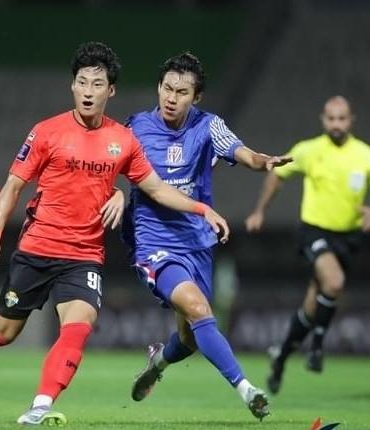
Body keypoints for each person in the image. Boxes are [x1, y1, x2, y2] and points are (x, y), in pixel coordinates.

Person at [0, 42, 231, 426]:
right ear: (72, 86)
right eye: (81, 82)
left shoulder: (123, 140)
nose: (87, 91)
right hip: (38, 247)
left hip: (84, 254)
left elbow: (155, 188)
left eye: (97, 84)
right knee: (2, 332)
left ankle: (40, 405)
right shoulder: (46, 132)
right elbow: (13, 186)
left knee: (78, 327)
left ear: (110, 91)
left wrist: (202, 208)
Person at [123, 52, 291, 421]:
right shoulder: (135, 127)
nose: (171, 97)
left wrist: (262, 162)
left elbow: (241, 151)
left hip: (197, 244)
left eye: (182, 92)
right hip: (155, 243)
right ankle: (247, 391)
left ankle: (158, 362)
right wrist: (114, 195)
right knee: (200, 309)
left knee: (190, 339)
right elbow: (109, 165)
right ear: (159, 87)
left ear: (196, 97)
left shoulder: (208, 126)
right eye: (167, 88)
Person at [245, 96, 370, 394]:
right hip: (313, 230)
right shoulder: (308, 150)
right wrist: (260, 210)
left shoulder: (368, 157)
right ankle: (316, 346)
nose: (336, 124)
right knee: (334, 282)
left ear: (351, 120)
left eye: (342, 118)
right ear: (323, 120)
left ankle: (281, 355)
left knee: (314, 304)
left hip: (348, 238)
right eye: (331, 118)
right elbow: (277, 175)